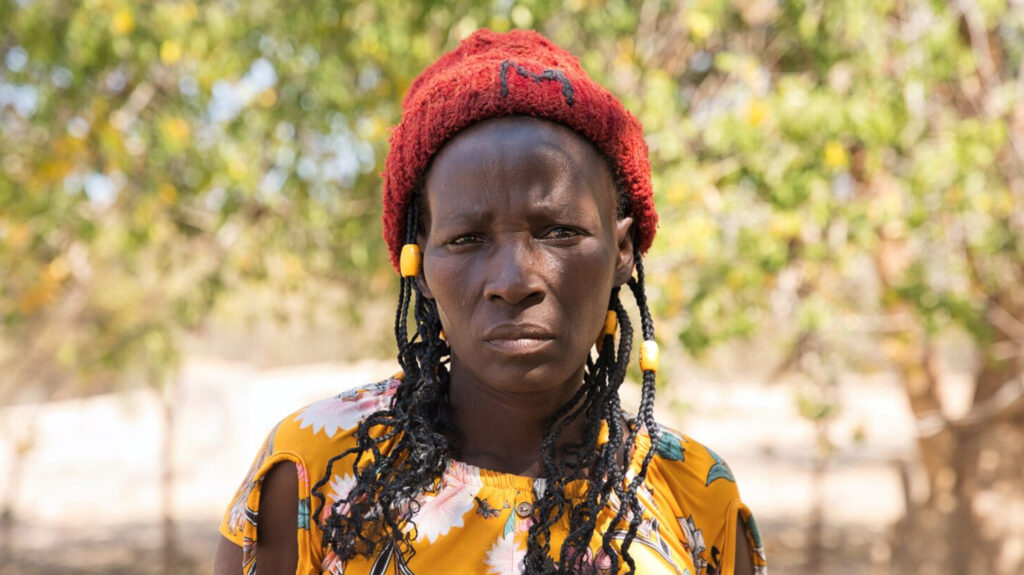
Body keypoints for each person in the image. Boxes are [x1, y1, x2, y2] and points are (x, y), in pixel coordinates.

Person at [213, 29, 766, 575]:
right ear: (419, 262)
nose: (514, 279)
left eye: (558, 232)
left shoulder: (692, 494)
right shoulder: (317, 473)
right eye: (467, 239)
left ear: (622, 250)